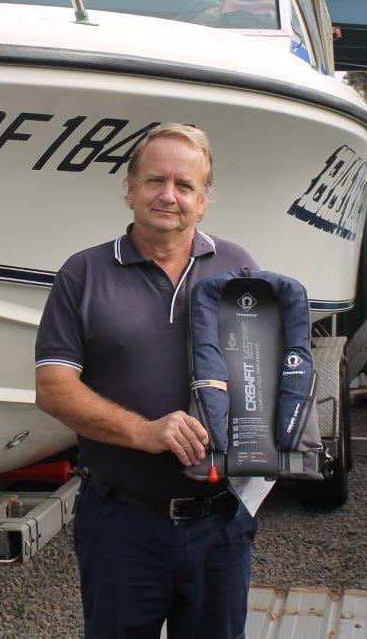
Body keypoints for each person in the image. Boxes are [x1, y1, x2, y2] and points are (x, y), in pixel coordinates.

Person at [35, 123, 259, 638]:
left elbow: (258, 376)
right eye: (156, 180)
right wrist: (144, 432)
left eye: (185, 186)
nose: (168, 196)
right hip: (122, 524)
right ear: (130, 188)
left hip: (219, 523)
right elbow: (53, 388)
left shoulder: (238, 268)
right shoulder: (84, 273)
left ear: (204, 202)